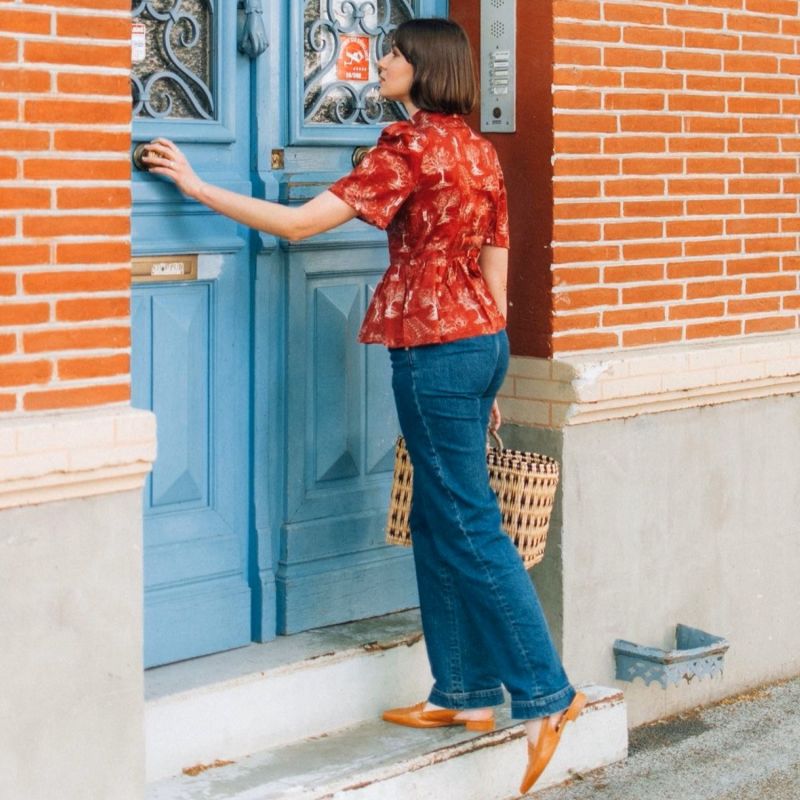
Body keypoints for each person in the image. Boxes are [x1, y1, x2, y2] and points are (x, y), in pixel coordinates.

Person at [142, 17, 585, 794]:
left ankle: (547, 693)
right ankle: (465, 694)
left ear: (425, 67)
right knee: (436, 515)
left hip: (435, 355)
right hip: (479, 344)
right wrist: (492, 365)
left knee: (467, 519)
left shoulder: (408, 148)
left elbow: (300, 223)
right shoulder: (478, 150)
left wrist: (197, 185)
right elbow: (496, 258)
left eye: (395, 53)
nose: (381, 61)